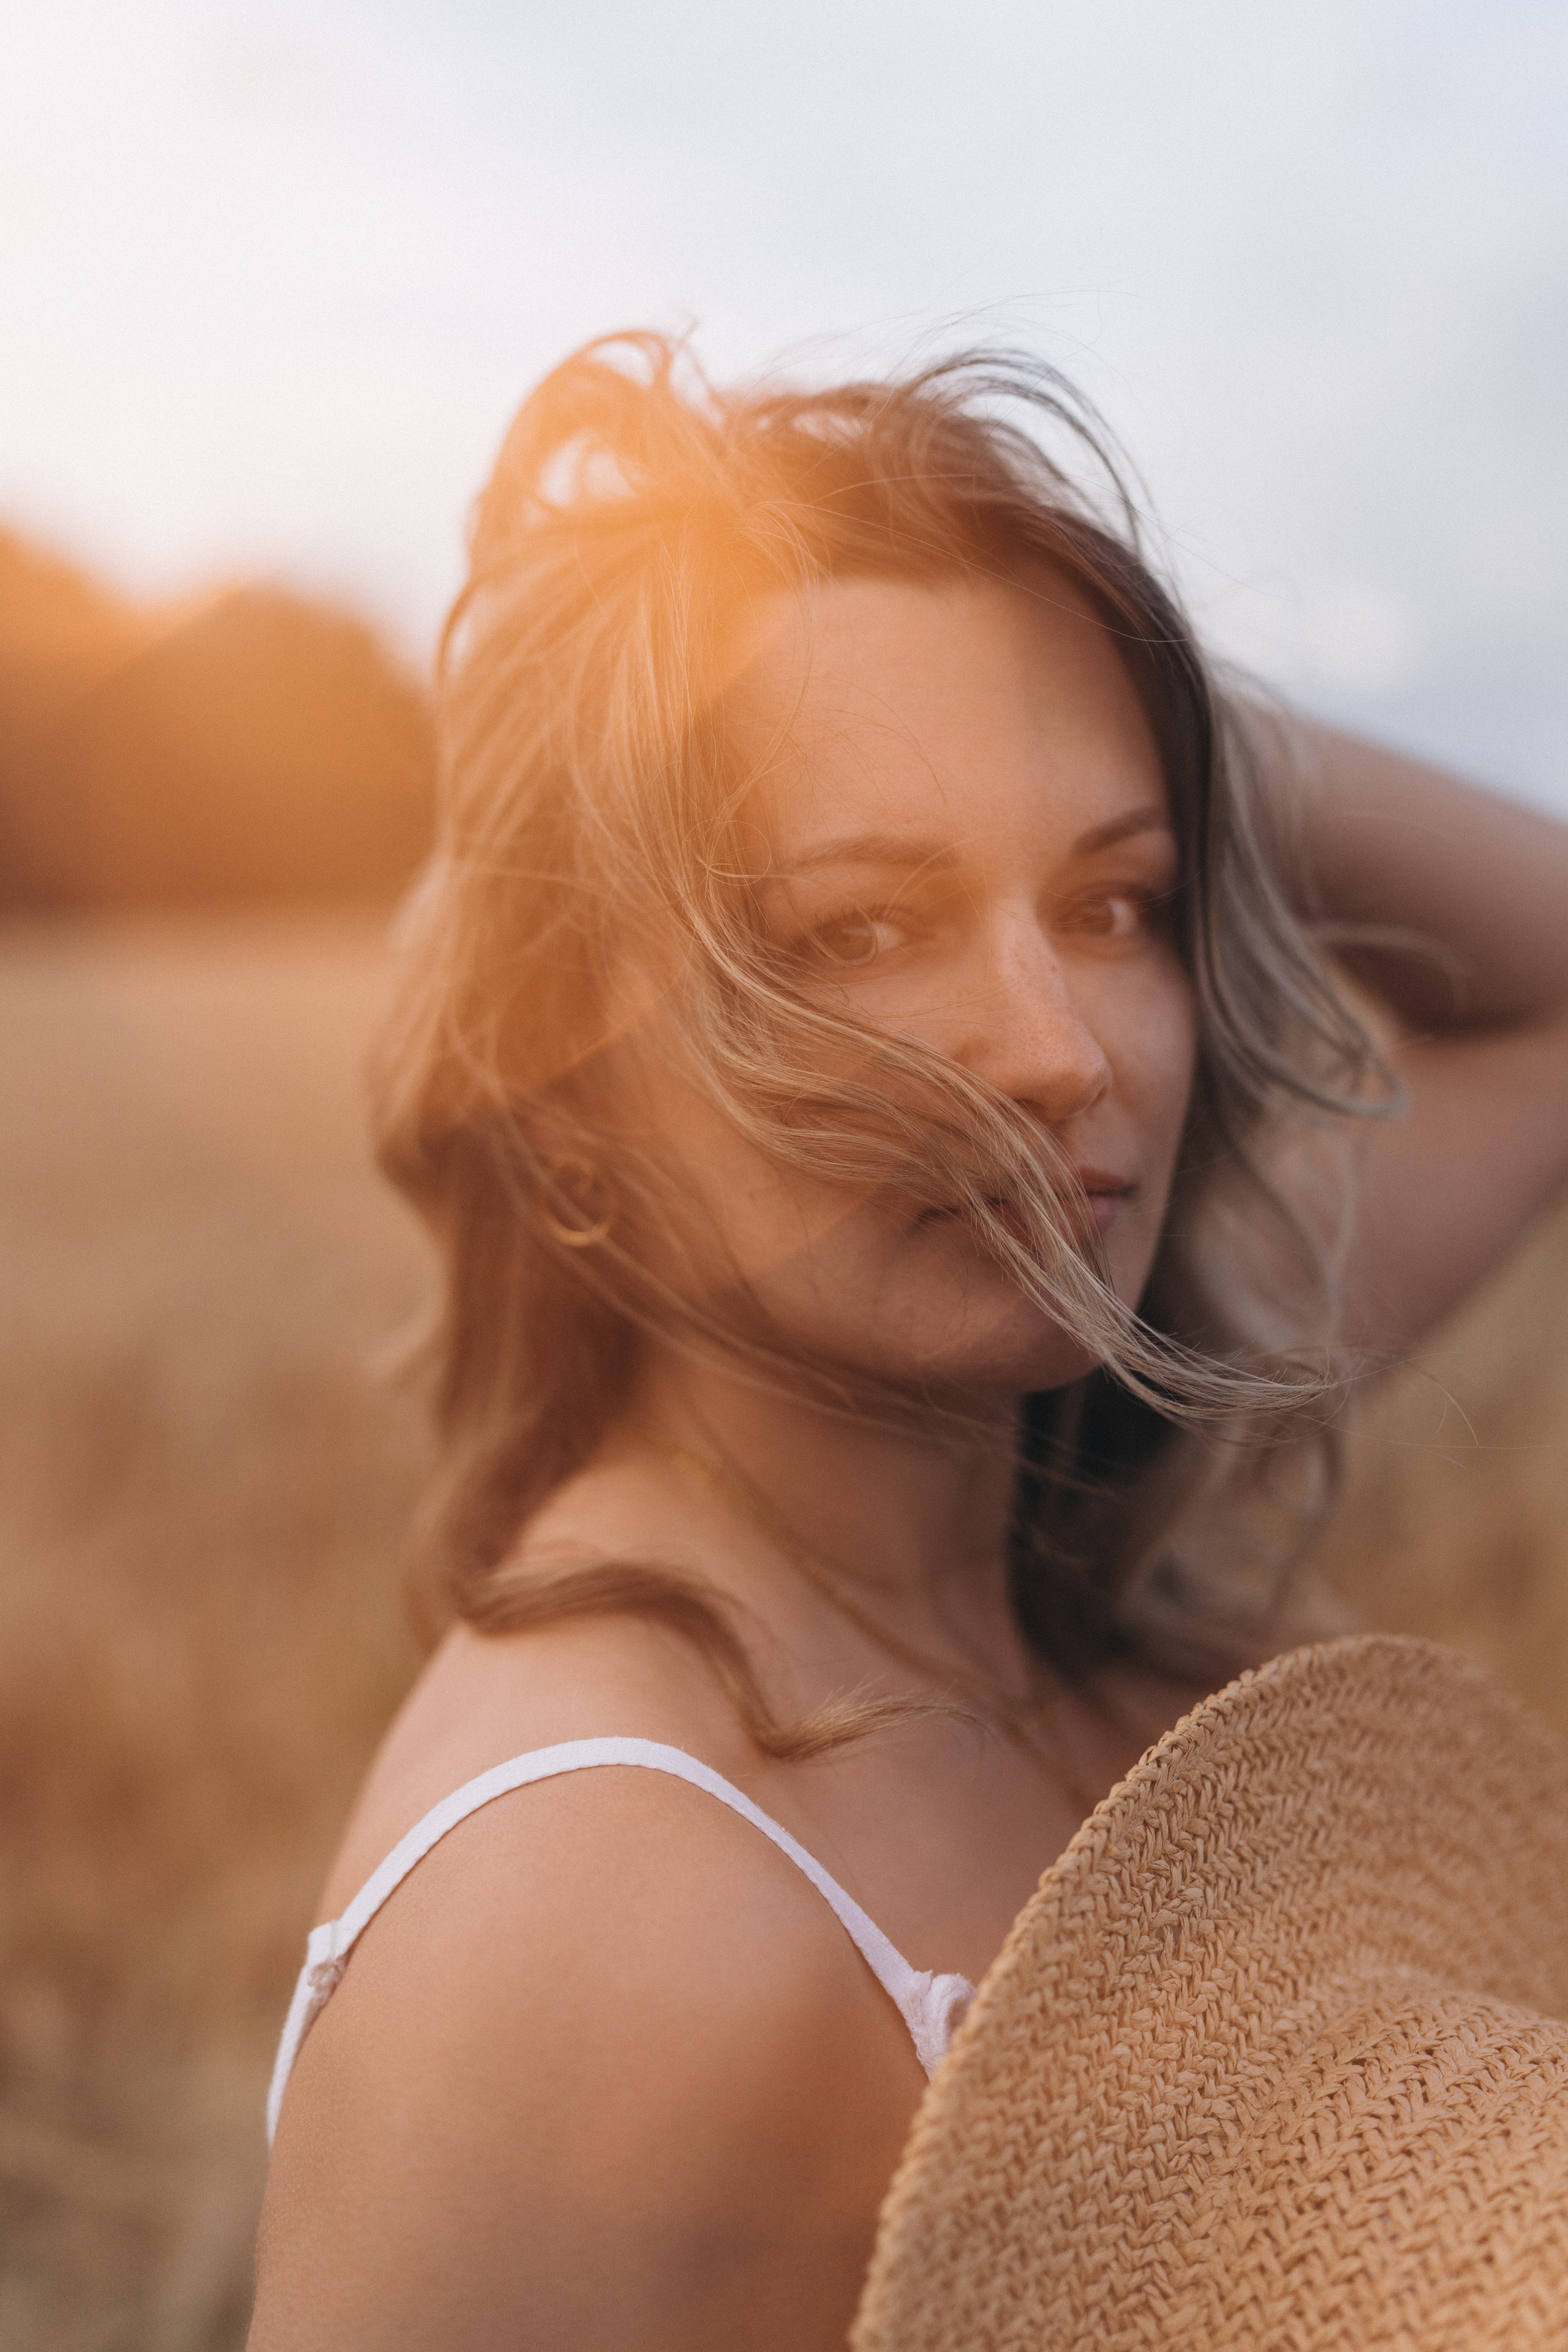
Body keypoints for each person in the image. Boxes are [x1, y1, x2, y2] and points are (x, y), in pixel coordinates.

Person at [247, 336, 1568, 2350]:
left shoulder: (1084, 1456)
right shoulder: (591, 1919)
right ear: (567, 1064)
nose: (1059, 1053)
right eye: (863, 929)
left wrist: (1124, 704)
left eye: (1116, 904)